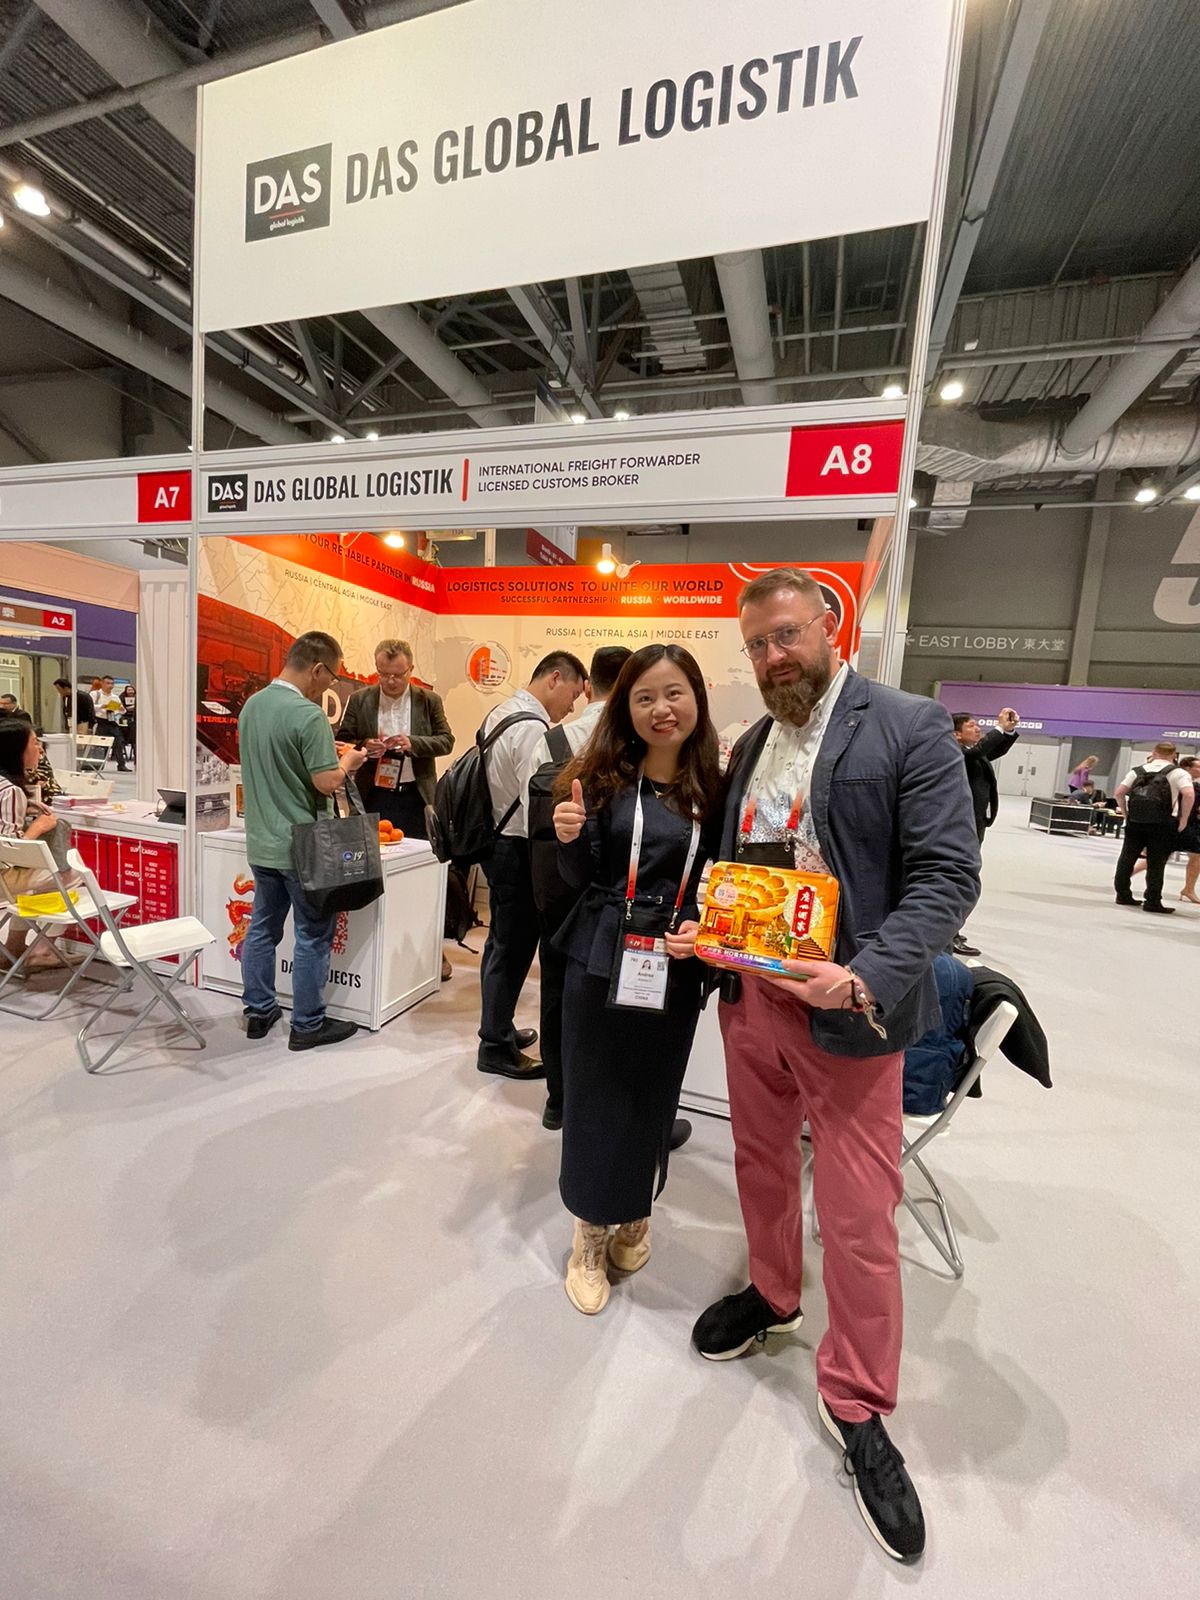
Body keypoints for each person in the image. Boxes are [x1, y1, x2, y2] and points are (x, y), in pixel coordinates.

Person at [684, 568, 980, 1565]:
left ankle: (856, 1401)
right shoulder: (750, 746)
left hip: (849, 1011)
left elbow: (948, 877)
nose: (773, 657)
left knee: (857, 1216)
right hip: (753, 1004)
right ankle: (774, 1295)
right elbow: (735, 868)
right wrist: (706, 934)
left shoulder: (907, 725)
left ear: (830, 626)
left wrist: (862, 978)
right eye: (757, 645)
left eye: (787, 635)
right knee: (762, 1166)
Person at [551, 645, 720, 1315]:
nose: (661, 709)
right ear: (625, 707)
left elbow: (728, 883)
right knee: (595, 1096)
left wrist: (703, 929)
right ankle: (589, 1235)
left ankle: (635, 1214)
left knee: (653, 1096)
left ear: (697, 699)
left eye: (674, 693)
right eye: (644, 697)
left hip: (674, 964)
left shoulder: (717, 790)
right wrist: (570, 838)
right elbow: (577, 879)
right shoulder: (599, 780)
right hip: (601, 953)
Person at [238, 631, 369, 1049]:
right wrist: (348, 761)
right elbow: (326, 781)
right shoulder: (309, 715)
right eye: (332, 677)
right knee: (312, 934)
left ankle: (258, 1011)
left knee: (262, 929)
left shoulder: (252, 706)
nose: (330, 684)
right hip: (303, 848)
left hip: (262, 842)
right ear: (317, 669)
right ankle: (308, 1024)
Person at [525, 645, 631, 1129]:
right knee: (613, 991)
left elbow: (530, 817)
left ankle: (558, 1098)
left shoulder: (551, 740)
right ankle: (609, 1100)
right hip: (614, 887)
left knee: (555, 985)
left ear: (588, 686)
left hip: (555, 883)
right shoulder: (633, 739)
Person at [476, 651, 586, 1081]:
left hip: (495, 840)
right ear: (555, 678)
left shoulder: (501, 712)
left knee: (501, 942)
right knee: (513, 948)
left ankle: (497, 1028)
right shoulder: (533, 730)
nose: (571, 707)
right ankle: (494, 1046)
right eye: (572, 694)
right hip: (517, 848)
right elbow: (534, 803)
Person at [337, 639, 455, 979]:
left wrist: (412, 743)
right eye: (383, 674)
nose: (390, 681)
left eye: (397, 675)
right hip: (373, 795)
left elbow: (446, 740)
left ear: (410, 670)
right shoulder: (361, 699)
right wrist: (365, 747)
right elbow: (344, 739)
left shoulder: (428, 701)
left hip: (416, 797)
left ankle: (429, 951)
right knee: (370, 872)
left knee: (421, 877)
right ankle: (374, 948)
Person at [0, 718, 79, 973]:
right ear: (17, 750)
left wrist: (27, 808)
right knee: (70, 876)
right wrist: (39, 827)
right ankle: (42, 950)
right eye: (34, 743)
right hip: (3, 879)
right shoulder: (11, 791)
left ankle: (13, 947)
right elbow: (9, 852)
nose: (40, 749)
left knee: (40, 881)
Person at [950, 707, 1019, 955]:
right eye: (971, 725)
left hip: (975, 823)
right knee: (960, 879)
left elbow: (992, 750)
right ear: (956, 734)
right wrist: (999, 728)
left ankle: (952, 932)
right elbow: (980, 751)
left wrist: (1007, 732)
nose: (978, 728)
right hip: (962, 825)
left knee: (966, 878)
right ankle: (949, 935)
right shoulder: (956, 752)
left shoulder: (973, 753)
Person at [1113, 742, 1194, 915]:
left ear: (1154, 752)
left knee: (1127, 857)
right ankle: (1152, 901)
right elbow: (1188, 793)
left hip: (1135, 821)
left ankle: (1123, 894)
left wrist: (1126, 814)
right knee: (1156, 862)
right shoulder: (1178, 773)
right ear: (1174, 755)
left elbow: (1119, 793)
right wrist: (1184, 818)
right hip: (1163, 823)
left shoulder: (1137, 771)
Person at [1130, 754, 1200, 902]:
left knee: (1193, 856)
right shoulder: (1181, 781)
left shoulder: (1189, 783)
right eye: (1198, 767)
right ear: (1187, 767)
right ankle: (1127, 875)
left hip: (1187, 823)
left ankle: (1188, 889)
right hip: (1178, 823)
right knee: (1161, 856)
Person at [90, 675, 130, 772]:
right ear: (102, 683)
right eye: (108, 683)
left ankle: (121, 765)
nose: (110, 686)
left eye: (112, 683)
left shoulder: (115, 697)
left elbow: (122, 712)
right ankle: (97, 764)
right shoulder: (95, 694)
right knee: (100, 745)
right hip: (100, 721)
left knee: (118, 743)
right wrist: (101, 706)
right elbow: (90, 706)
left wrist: (121, 710)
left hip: (112, 721)